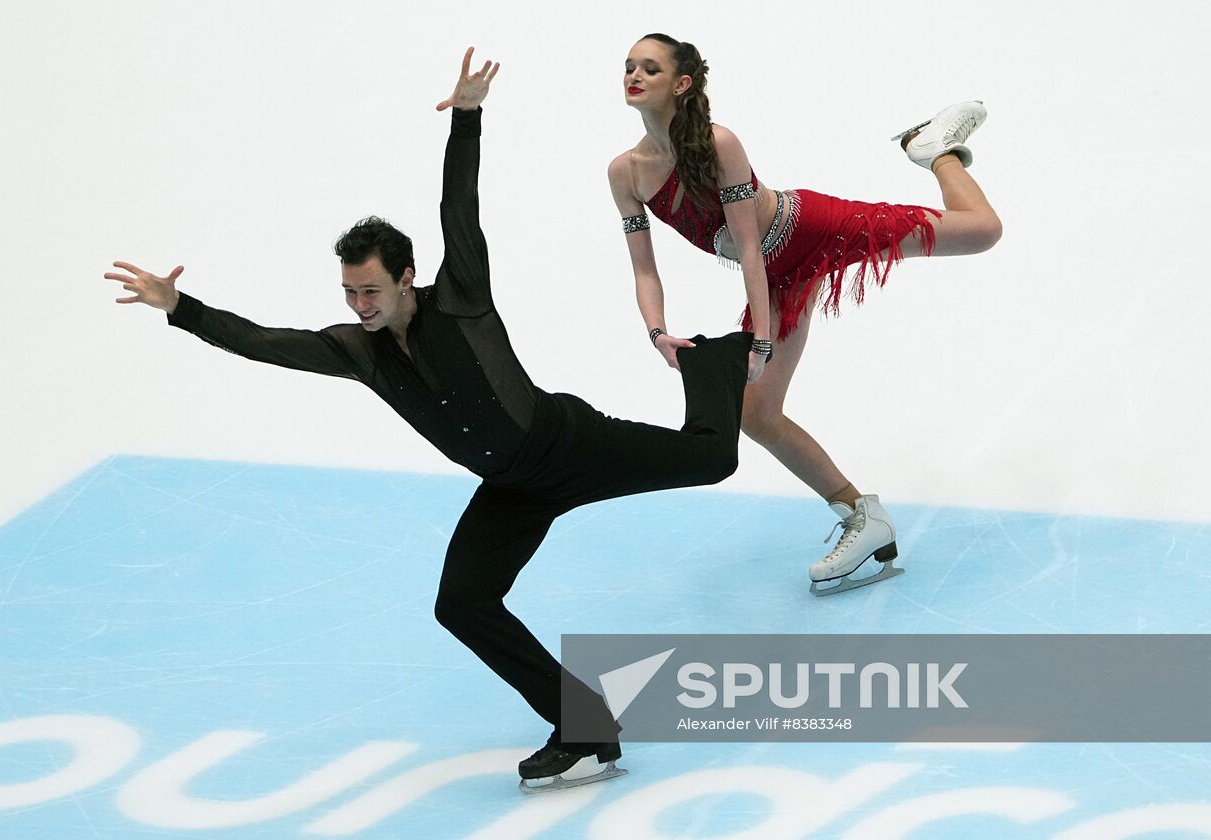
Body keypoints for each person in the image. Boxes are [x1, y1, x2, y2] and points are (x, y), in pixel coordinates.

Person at [106, 48, 752, 792]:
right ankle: (582, 725)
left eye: (371, 288)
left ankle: (717, 357)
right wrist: (179, 308)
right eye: (350, 291)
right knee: (463, 604)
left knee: (711, 460)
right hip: (511, 484)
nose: (360, 305)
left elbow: (459, 208)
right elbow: (264, 344)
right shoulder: (358, 350)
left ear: (406, 276)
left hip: (569, 445)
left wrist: (468, 119)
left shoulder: (461, 297)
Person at [607, 33, 1003, 595]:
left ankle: (933, 148)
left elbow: (748, 244)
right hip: (776, 278)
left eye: (649, 67)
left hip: (813, 228)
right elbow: (645, 270)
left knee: (983, 231)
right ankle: (861, 514)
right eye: (629, 66)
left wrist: (760, 343)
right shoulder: (625, 173)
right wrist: (657, 333)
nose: (634, 75)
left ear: (682, 83)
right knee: (756, 413)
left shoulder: (719, 144)